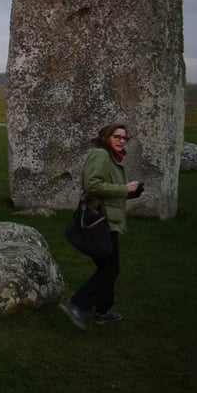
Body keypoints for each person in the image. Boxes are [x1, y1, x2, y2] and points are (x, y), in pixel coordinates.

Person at [59, 123, 143, 330]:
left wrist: (129, 192)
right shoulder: (101, 155)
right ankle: (76, 304)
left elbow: (108, 190)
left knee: (109, 269)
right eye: (117, 136)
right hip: (101, 222)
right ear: (106, 137)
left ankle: (103, 311)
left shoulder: (112, 158)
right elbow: (92, 185)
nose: (122, 140)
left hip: (109, 222)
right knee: (109, 270)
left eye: (125, 137)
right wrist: (123, 188)